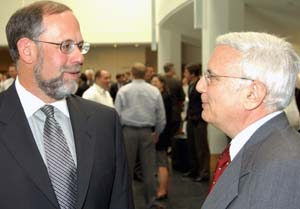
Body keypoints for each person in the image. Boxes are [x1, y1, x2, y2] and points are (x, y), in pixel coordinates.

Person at [2, 1, 133, 209]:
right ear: (27, 50)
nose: (79, 57)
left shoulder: (105, 122)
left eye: (80, 46)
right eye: (66, 46)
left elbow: (119, 200)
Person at [197, 32, 300, 209]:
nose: (200, 86)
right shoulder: (261, 149)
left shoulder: (283, 167)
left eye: (211, 77)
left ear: (252, 94)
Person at [115, 63, 166, 209]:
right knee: (149, 169)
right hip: (146, 132)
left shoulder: (123, 91)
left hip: (128, 132)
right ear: (146, 74)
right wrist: (157, 132)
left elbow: (117, 114)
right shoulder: (154, 91)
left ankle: (123, 202)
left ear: (131, 73)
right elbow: (161, 116)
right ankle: (151, 201)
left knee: (126, 170)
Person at [183, 64, 209, 182]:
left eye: (186, 72)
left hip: (199, 120)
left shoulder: (200, 85)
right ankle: (194, 170)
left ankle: (204, 172)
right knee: (191, 146)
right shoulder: (190, 84)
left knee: (201, 147)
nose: (184, 74)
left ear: (192, 74)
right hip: (191, 119)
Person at [150, 74, 172, 200]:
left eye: (156, 81)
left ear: (162, 83)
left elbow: (162, 118)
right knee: (160, 163)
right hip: (161, 132)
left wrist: (157, 133)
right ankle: (162, 188)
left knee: (161, 162)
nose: (153, 83)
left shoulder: (164, 97)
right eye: (152, 81)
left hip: (161, 133)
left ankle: (163, 190)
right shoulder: (158, 96)